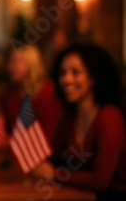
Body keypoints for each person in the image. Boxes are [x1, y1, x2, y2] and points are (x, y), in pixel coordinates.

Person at [31, 43, 126, 200]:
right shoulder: (70, 115)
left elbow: (100, 181)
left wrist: (54, 174)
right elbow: (52, 157)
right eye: (63, 73)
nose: (67, 79)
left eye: (75, 72)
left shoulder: (109, 116)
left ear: (93, 77)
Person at [3, 44, 63, 141]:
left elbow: (52, 134)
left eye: (15, 62)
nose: (9, 67)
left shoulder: (47, 91)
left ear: (30, 63)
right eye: (10, 61)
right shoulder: (11, 93)